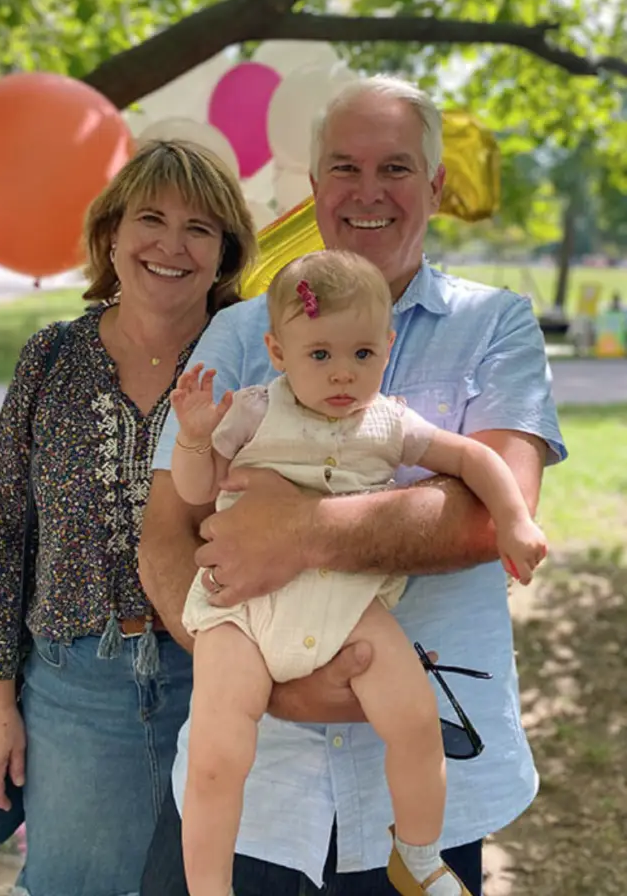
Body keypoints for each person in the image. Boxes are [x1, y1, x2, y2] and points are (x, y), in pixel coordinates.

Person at [139, 76, 566, 896]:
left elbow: (489, 514)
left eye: (396, 168)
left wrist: (296, 530)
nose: (367, 191)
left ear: (436, 185)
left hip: (420, 767)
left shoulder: (496, 324)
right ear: (312, 186)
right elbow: (166, 527)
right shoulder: (238, 332)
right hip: (254, 783)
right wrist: (254, 670)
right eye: (343, 167)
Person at [169, 248, 548, 896]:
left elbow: (475, 462)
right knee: (217, 753)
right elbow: (193, 489)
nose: (342, 373)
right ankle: (209, 887)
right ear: (278, 351)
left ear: (386, 346)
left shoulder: (388, 423)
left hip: (343, 604)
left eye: (362, 355)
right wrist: (195, 439)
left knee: (415, 720)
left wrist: (513, 522)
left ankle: (419, 854)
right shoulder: (255, 410)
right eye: (320, 355)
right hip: (243, 612)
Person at [0, 139, 257, 896]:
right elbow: (1, 534)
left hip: (223, 678)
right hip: (76, 690)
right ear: (112, 236)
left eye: (199, 227)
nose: (169, 244)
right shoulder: (50, 359)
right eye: (150, 219)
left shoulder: (256, 364)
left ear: (224, 251)